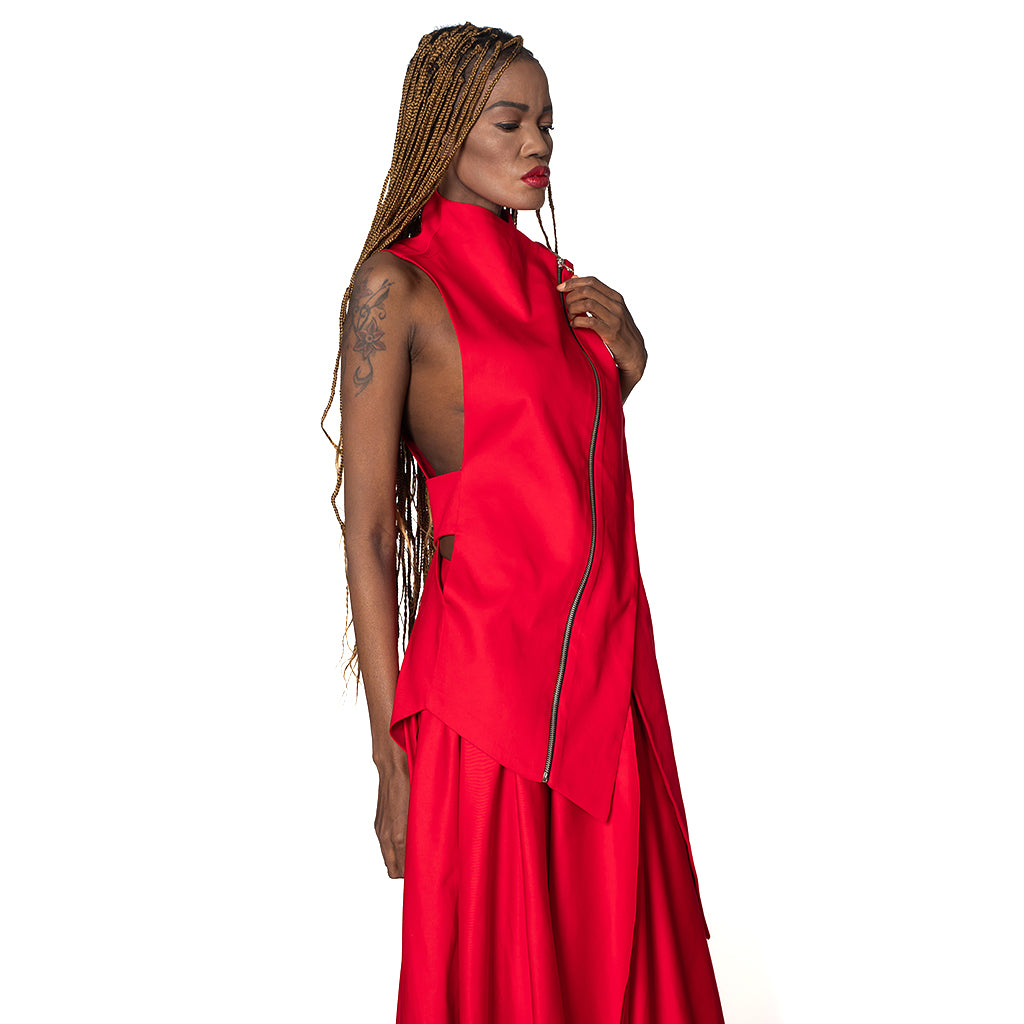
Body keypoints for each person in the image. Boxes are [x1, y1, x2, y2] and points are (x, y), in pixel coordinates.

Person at [322, 23, 727, 1023]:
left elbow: (550, 466)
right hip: (485, 703)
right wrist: (388, 753)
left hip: (602, 684)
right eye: (510, 122)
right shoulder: (395, 287)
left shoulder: (564, 290)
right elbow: (369, 534)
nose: (537, 142)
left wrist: (626, 367)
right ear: (445, 128)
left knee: (616, 970)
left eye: (546, 122)